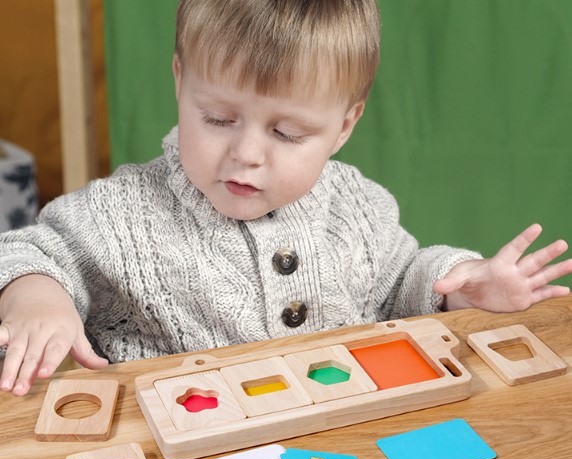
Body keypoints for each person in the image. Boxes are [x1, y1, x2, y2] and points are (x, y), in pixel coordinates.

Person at [1, 0, 571, 397]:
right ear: (179, 81)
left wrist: (462, 282)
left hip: (341, 440)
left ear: (344, 126)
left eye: (287, 133)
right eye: (218, 118)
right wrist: (34, 297)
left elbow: (401, 282)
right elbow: (29, 251)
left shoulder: (356, 205)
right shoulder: (121, 214)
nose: (247, 153)